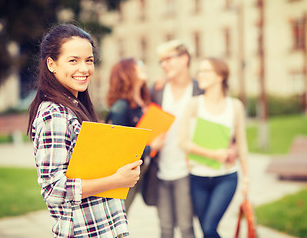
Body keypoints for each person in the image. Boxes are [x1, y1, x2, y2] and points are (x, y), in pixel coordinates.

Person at [27, 23, 142, 238]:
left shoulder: (76, 105)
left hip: (102, 228)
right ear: (51, 64)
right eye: (73, 60)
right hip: (83, 231)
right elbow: (53, 189)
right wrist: (116, 181)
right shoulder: (54, 113)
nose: (84, 68)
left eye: (89, 60)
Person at [179, 57, 250, 238]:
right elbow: (183, 142)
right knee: (208, 231)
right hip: (198, 178)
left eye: (205, 71)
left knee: (209, 229)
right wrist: (214, 154)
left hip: (226, 178)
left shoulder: (235, 106)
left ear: (220, 76)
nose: (199, 75)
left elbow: (242, 144)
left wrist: (247, 178)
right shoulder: (194, 104)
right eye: (199, 71)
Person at [150, 40, 203, 238]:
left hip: (187, 171)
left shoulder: (199, 90)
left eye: (168, 59)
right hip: (161, 170)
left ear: (184, 59)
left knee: (186, 227)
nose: (164, 64)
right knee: (165, 229)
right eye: (161, 61)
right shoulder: (157, 90)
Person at [106, 58, 165, 212]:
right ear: (127, 72)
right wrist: (151, 147)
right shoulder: (121, 107)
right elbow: (118, 147)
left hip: (137, 173)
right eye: (137, 65)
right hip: (122, 176)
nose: (143, 66)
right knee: (118, 217)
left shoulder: (140, 104)